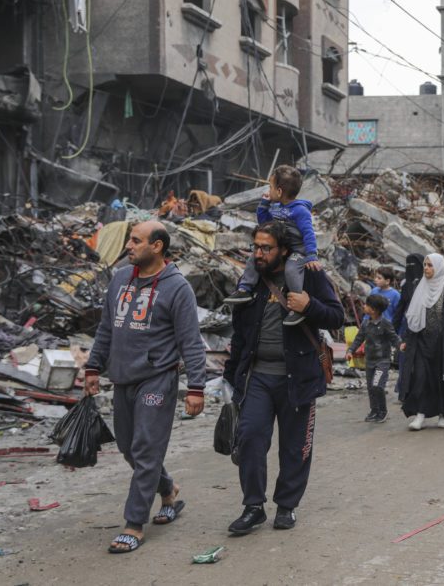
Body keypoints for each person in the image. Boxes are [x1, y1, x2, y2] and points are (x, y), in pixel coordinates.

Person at [84, 221, 207, 554]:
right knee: (128, 447)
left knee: (146, 448)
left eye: (136, 241)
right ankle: (167, 489)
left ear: (157, 246)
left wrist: (196, 386)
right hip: (122, 377)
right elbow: (107, 327)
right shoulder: (121, 279)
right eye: (129, 240)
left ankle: (134, 524)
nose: (128, 245)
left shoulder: (177, 287)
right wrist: (93, 366)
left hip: (158, 379)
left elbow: (190, 341)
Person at [223, 222, 345, 534]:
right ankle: (253, 506)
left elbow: (336, 316)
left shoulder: (309, 274)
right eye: (255, 247)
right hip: (257, 377)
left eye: (266, 248)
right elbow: (240, 332)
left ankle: (287, 506)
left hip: (298, 378)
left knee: (294, 448)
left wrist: (309, 305)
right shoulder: (251, 281)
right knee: (249, 438)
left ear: (285, 250)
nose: (259, 254)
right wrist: (231, 377)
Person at [224, 166, 320, 326]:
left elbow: (309, 234)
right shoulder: (276, 208)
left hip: (297, 250)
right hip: (281, 247)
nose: (269, 190)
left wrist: (311, 255)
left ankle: (297, 307)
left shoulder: (300, 211)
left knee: (291, 269)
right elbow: (265, 225)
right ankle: (245, 289)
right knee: (254, 257)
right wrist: (263, 205)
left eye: (270, 187)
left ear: (280, 191)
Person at [399, 253, 444, 431]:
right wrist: (406, 339)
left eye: (430, 265)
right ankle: (420, 415)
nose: (426, 268)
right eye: (425, 265)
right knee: (421, 378)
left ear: (438, 267)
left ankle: (443, 414)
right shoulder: (419, 287)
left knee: (442, 379)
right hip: (421, 342)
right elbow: (413, 316)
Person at [347, 294, 400, 424]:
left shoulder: (386, 324)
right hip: (369, 361)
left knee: (377, 385)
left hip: (382, 362)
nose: (364, 306)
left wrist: (401, 345)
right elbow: (359, 338)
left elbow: (394, 338)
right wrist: (350, 351)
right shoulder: (365, 323)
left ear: (374, 310)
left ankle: (382, 411)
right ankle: (374, 410)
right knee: (371, 387)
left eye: (367, 305)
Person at [393, 254, 424, 397]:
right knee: (405, 361)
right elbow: (400, 309)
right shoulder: (406, 286)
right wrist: (393, 331)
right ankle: (404, 391)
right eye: (408, 265)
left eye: (414, 265)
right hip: (408, 329)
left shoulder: (428, 284)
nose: (411, 269)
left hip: (425, 328)